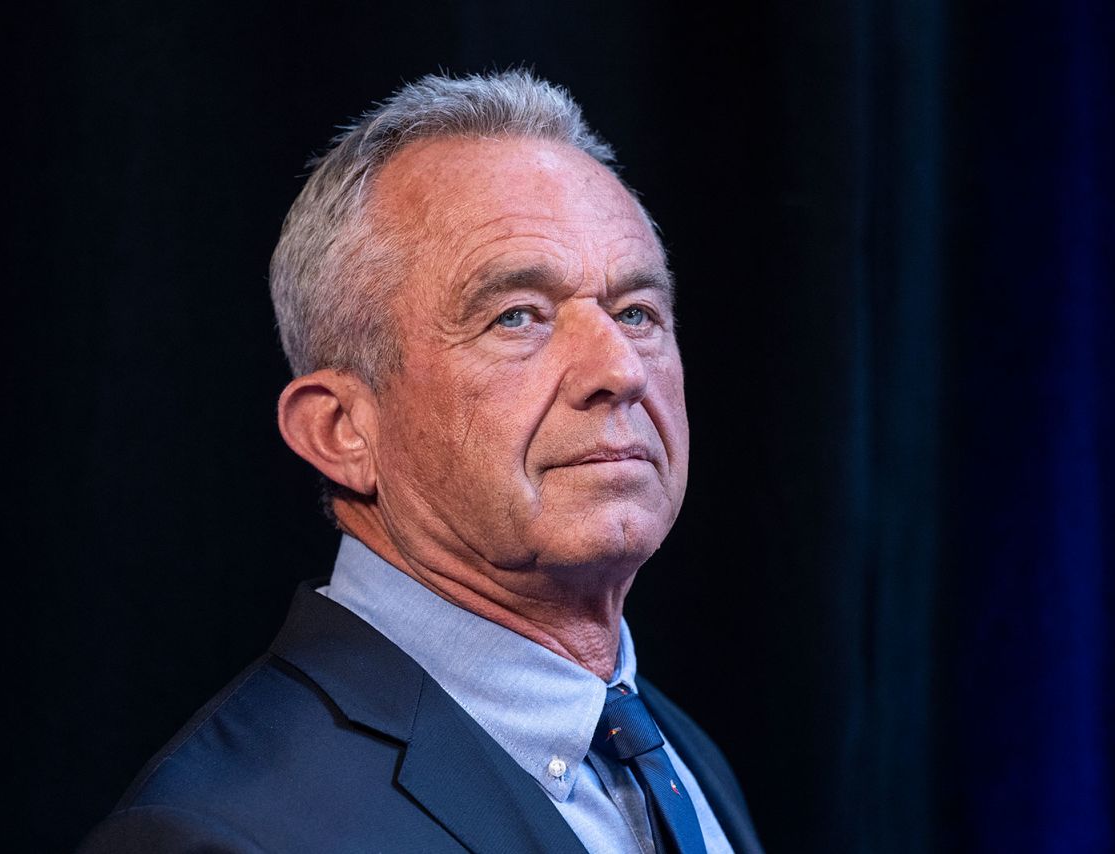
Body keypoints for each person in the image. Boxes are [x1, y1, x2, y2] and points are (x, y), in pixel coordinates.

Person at [79, 70, 763, 854]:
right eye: (517, 317)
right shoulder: (220, 835)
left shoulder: (672, 755)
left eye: (636, 312)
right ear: (341, 429)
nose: (619, 369)